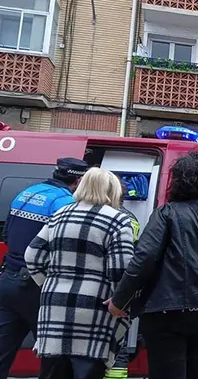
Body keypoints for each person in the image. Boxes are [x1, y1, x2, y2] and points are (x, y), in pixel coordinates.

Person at [105, 151, 198, 379]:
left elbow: (144, 258)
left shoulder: (165, 214)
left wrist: (119, 301)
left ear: (177, 182)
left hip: (166, 311)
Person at [24, 167, 135, 379]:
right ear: (112, 191)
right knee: (87, 369)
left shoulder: (59, 215)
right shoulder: (117, 220)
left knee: (53, 371)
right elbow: (120, 270)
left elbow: (32, 256)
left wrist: (49, 283)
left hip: (54, 307)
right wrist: (121, 301)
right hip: (94, 309)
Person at [0, 157, 88, 379]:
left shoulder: (27, 193)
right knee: (54, 358)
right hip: (38, 287)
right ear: (78, 181)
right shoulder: (65, 203)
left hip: (8, 281)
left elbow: (7, 235)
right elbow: (65, 250)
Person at [104, 182, 141, 379]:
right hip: (119, 291)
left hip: (106, 289)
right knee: (118, 339)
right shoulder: (130, 219)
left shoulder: (108, 217)